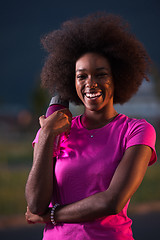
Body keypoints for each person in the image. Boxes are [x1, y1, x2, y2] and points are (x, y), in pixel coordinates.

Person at [25, 12, 157, 240]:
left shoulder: (137, 131)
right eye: (81, 76)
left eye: (101, 74)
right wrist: (46, 133)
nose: (90, 84)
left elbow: (112, 201)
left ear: (117, 78)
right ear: (71, 81)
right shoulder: (53, 131)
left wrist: (52, 216)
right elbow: (36, 203)